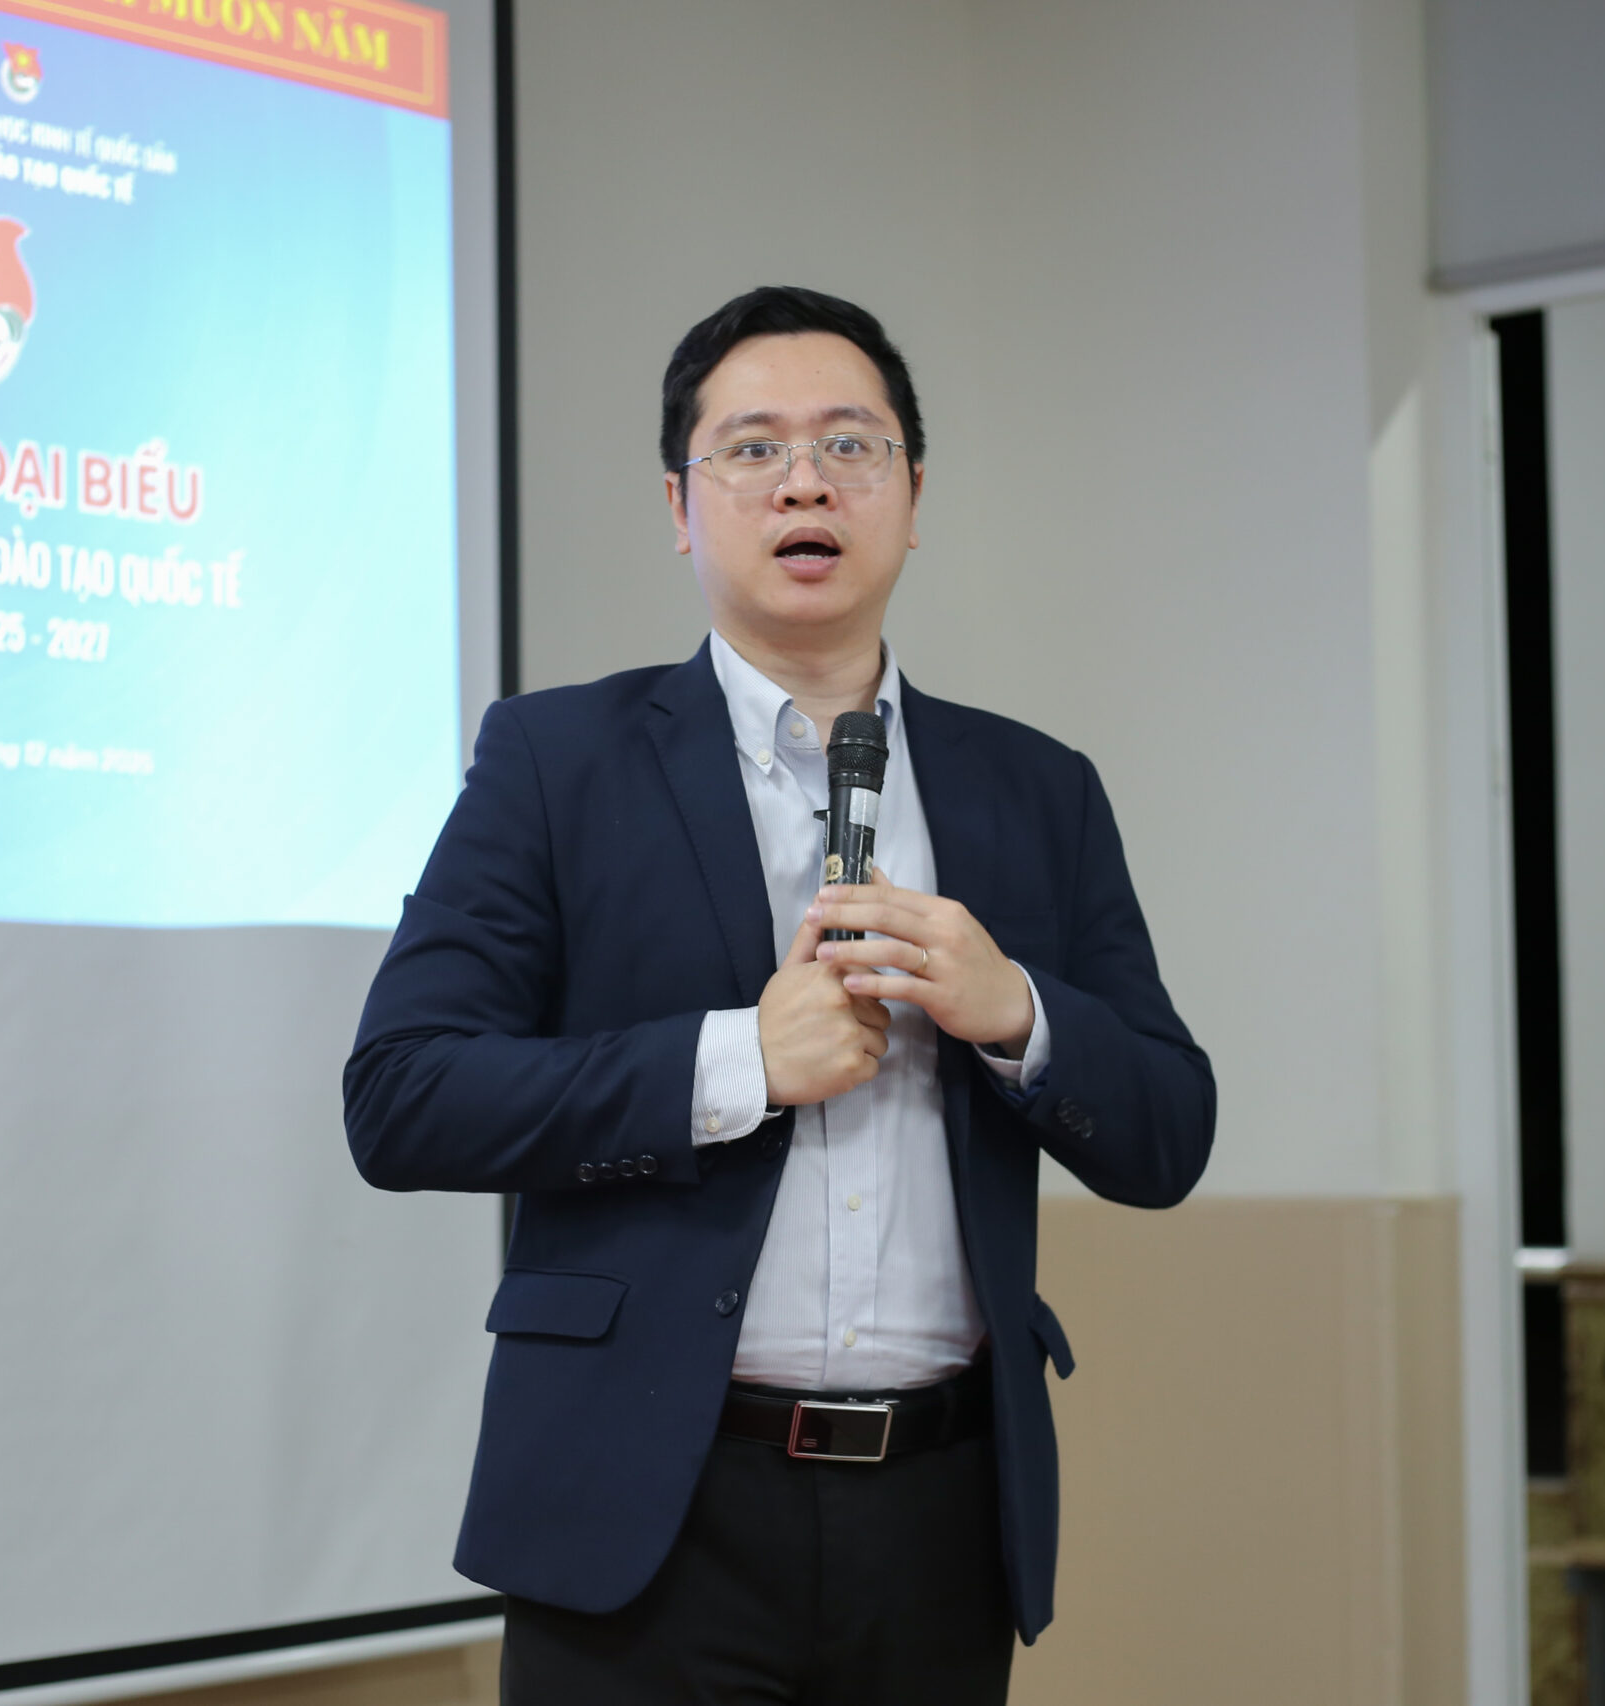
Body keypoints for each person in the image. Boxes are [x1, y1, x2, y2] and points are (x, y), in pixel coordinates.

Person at [344, 285, 1214, 1704]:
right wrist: (736, 1059)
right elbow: (402, 1095)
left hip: (940, 1518)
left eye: (851, 446)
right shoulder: (557, 762)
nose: (805, 482)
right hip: (647, 1514)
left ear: (913, 498)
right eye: (752, 449)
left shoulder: (1036, 789)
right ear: (680, 508)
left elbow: (1170, 1131)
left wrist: (1017, 1014)